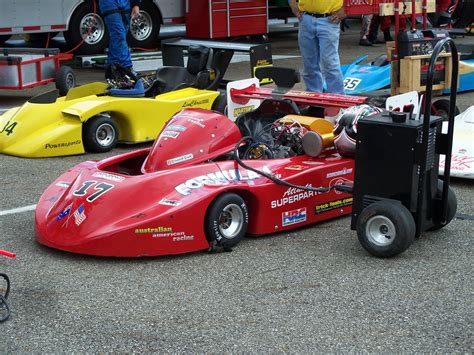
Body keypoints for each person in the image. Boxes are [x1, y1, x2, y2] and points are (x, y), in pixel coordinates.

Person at [289, 0, 345, 94]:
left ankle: (336, 98)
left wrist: (346, 10)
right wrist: (291, 3)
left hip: (325, 18)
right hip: (317, 18)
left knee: (328, 63)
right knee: (310, 63)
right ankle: (321, 97)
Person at [98, 0, 141, 73]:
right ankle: (127, 68)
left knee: (118, 38)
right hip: (109, 3)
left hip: (125, 3)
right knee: (119, 35)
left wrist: (136, 5)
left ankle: (112, 67)